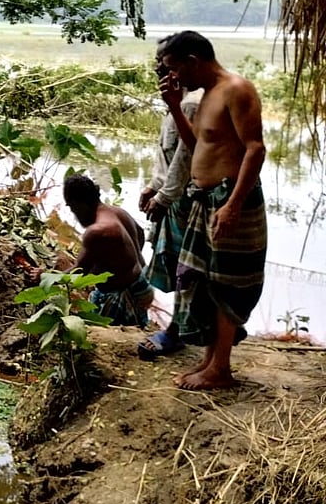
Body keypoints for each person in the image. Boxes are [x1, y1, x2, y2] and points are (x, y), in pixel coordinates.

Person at [157, 30, 266, 390]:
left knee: (227, 284)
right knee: (200, 279)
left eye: (174, 68)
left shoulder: (237, 89)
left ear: (193, 61)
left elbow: (255, 149)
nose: (171, 76)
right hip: (204, 201)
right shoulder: (203, 95)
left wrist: (233, 204)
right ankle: (209, 361)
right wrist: (175, 105)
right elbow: (197, 147)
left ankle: (221, 368)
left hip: (230, 200)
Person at [137, 43, 204, 359]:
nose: (160, 74)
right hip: (173, 198)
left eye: (166, 68)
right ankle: (183, 328)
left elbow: (186, 157)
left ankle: (179, 331)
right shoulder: (177, 104)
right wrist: (152, 185)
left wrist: (163, 196)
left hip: (184, 202)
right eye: (159, 67)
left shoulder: (190, 105)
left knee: (187, 270)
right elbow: (165, 154)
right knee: (181, 269)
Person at [62, 173, 154, 328]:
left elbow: (80, 271)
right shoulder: (118, 212)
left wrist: (46, 276)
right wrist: (127, 260)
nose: (74, 213)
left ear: (79, 204)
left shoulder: (97, 231)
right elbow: (140, 234)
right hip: (141, 284)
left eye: (72, 208)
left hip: (124, 295)